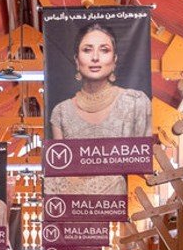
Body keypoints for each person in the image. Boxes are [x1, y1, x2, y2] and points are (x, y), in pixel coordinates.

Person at [45, 23, 151, 199]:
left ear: (114, 59)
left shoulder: (136, 102)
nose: (95, 58)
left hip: (116, 204)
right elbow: (61, 170)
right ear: (77, 60)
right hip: (74, 206)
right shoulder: (61, 111)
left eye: (104, 50)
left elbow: (142, 160)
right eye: (87, 50)